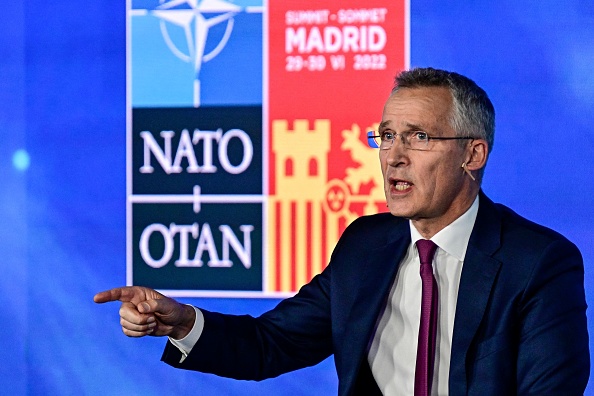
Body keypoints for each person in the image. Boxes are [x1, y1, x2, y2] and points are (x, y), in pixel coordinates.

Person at [94, 67, 589, 395]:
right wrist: (182, 321)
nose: (394, 155)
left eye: (418, 137)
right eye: (387, 135)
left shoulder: (539, 262)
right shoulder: (366, 245)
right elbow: (274, 343)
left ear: (473, 154)